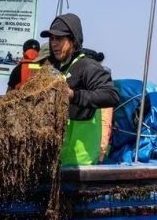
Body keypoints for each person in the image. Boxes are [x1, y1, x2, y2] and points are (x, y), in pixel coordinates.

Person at [40, 13, 118, 166]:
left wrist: (74, 95)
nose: (54, 43)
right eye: (51, 39)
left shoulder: (87, 66)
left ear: (73, 41)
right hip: (58, 158)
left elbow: (111, 95)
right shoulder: (55, 68)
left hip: (81, 161)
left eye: (59, 38)